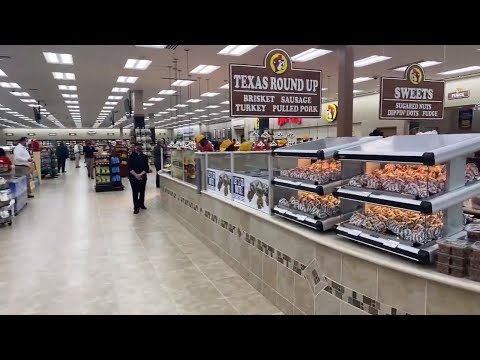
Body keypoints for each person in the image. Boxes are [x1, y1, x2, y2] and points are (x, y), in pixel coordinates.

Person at [128, 142, 149, 214]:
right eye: (138, 146)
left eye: (140, 146)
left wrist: (140, 174)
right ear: (135, 147)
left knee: (142, 191)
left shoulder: (144, 156)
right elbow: (129, 168)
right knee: (135, 192)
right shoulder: (131, 156)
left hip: (143, 176)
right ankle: (136, 207)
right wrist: (136, 175)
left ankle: (141, 204)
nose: (139, 147)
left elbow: (146, 168)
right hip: (133, 177)